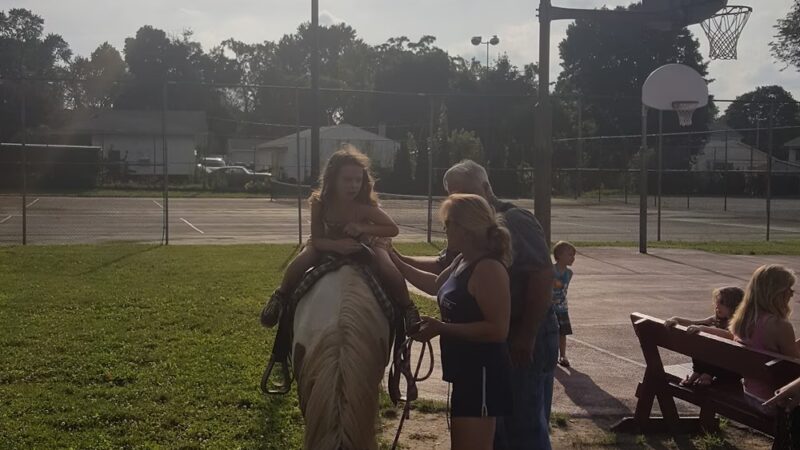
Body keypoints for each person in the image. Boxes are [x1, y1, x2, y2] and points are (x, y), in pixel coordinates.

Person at [392, 160, 555, 450]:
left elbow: (543, 276)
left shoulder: (514, 222)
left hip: (522, 335)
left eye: (464, 194)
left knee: (523, 426)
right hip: (477, 357)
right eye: (452, 195)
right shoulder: (466, 251)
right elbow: (439, 276)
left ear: (485, 188)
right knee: (496, 434)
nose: (457, 201)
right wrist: (394, 258)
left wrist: (527, 335)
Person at [391, 194, 513, 450]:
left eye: (448, 225)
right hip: (465, 371)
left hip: (482, 374)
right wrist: (394, 259)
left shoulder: (488, 268)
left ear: (465, 228)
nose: (444, 230)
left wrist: (441, 328)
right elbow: (435, 285)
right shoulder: (463, 260)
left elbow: (497, 330)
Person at [260, 146, 420, 332]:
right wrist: (336, 246)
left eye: (358, 180)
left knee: (386, 265)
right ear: (332, 179)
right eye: (347, 180)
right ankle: (280, 297)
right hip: (328, 240)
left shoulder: (364, 206)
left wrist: (362, 227)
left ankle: (408, 307)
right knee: (303, 258)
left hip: (369, 240)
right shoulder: (320, 203)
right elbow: (317, 238)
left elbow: (392, 229)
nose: (353, 185)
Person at [687, 265, 797, 401]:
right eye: (789, 289)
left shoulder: (743, 319)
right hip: (772, 400)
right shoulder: (780, 326)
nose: (792, 293)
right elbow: (794, 365)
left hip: (749, 392)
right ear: (776, 293)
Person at [664, 286, 745, 386]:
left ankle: (707, 374)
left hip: (731, 369)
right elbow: (694, 323)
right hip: (716, 366)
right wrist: (676, 319)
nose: (717, 306)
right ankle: (698, 372)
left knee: (712, 342)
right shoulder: (716, 319)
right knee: (699, 337)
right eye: (717, 302)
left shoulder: (739, 324)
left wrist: (704, 329)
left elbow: (730, 336)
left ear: (734, 307)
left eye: (722, 303)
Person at [552, 241, 576, 368]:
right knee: (552, 332)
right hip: (550, 308)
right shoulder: (551, 270)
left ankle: (563, 355)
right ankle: (552, 355)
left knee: (563, 333)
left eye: (573, 255)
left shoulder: (569, 273)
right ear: (559, 255)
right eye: (570, 255)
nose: (573, 258)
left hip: (562, 308)